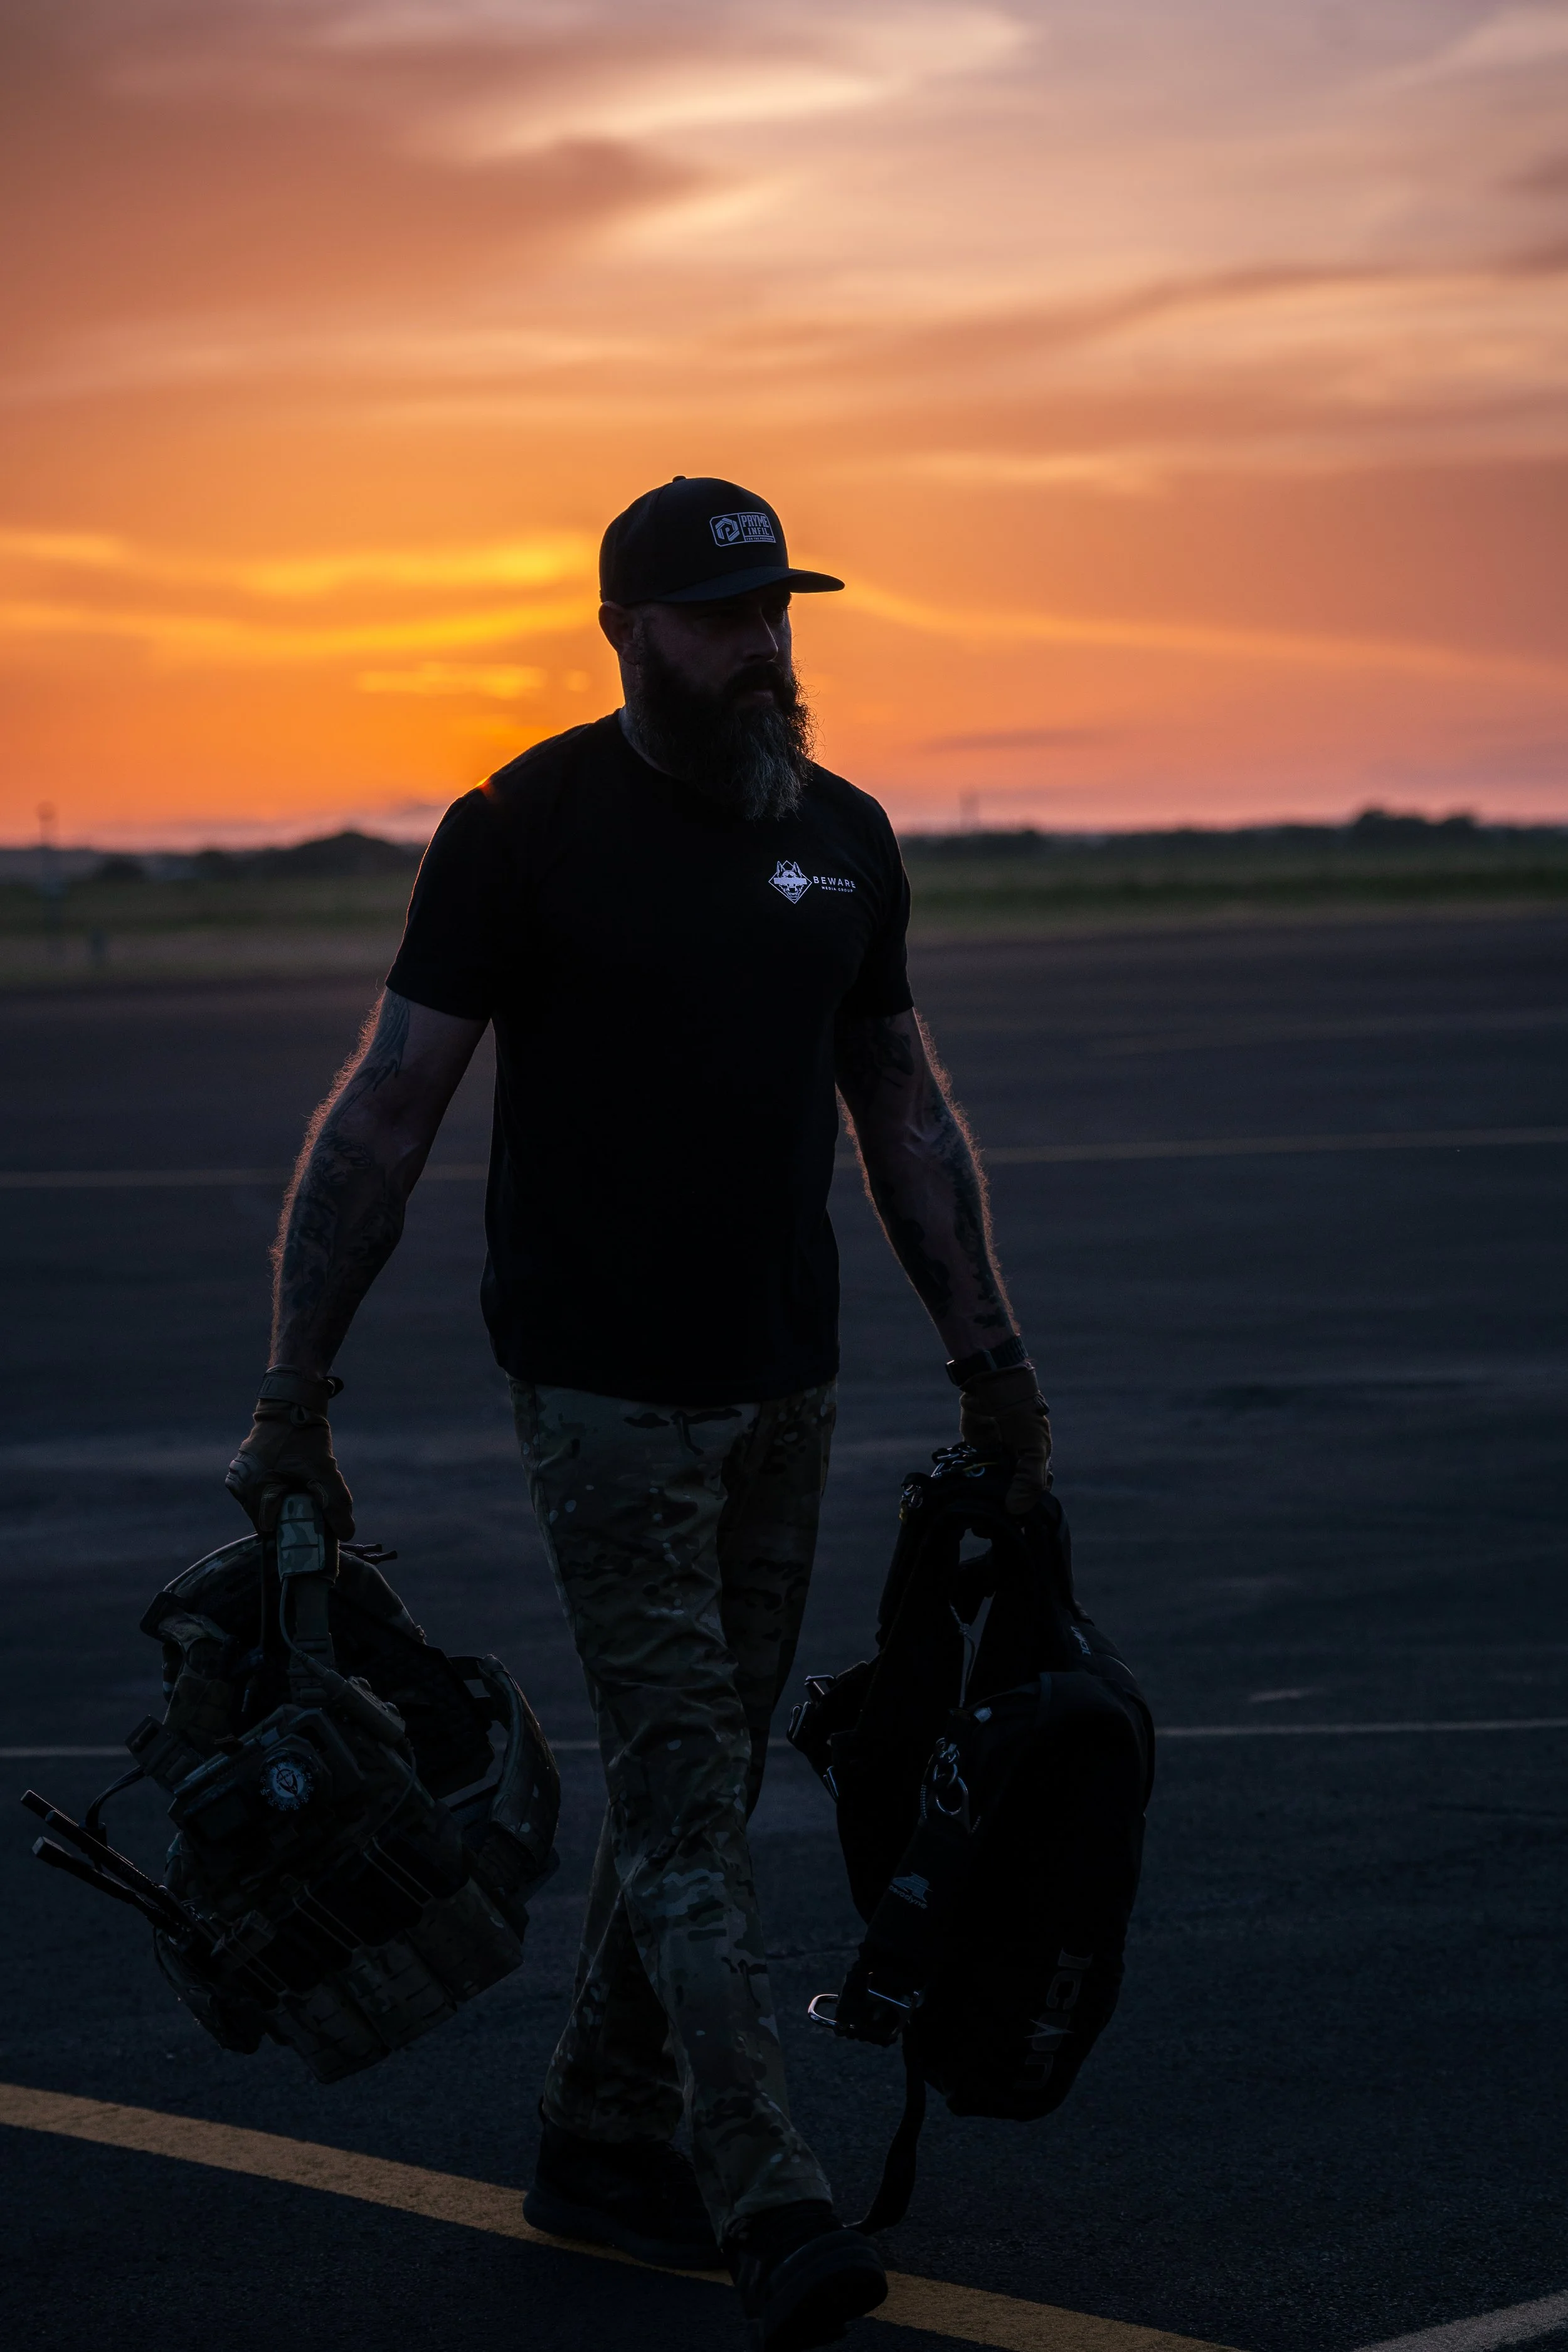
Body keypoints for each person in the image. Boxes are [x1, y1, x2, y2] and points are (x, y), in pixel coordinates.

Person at [225, 477, 1051, 2352]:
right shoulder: (520, 831)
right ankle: (761, 2189)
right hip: (601, 1394)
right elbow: (383, 1118)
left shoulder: (842, 842)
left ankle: (599, 2134)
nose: (763, 649)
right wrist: (294, 1395)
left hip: (787, 1381)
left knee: (707, 1764)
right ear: (625, 633)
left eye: (777, 613)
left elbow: (903, 1117)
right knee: (685, 1796)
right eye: (718, 618)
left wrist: (992, 1364)